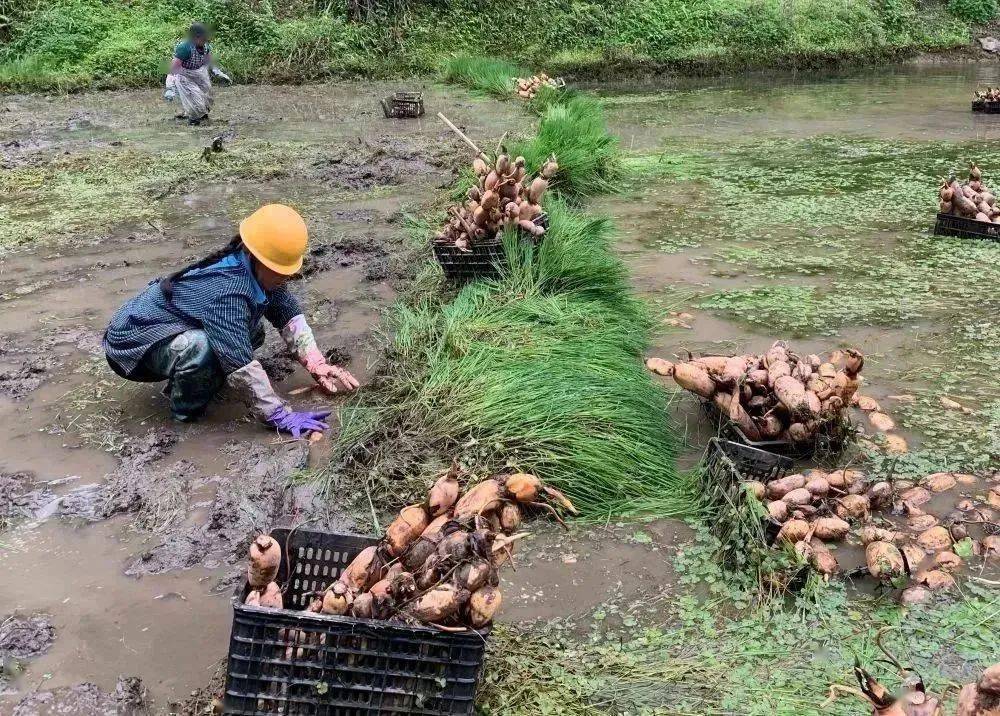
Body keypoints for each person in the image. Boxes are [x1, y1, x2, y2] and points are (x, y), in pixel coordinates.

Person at [103, 204, 359, 437]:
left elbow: (287, 313)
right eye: (279, 271)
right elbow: (239, 362)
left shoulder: (254, 268)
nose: (286, 278)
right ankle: (183, 414)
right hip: (133, 343)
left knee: (252, 330)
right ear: (257, 257)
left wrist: (316, 363)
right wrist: (279, 414)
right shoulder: (230, 290)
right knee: (203, 349)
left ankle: (196, 380)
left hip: (169, 326)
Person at [163, 22, 231, 125]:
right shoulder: (184, 48)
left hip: (199, 72)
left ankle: (203, 116)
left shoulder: (205, 46)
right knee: (195, 101)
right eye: (203, 38)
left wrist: (217, 72)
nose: (205, 41)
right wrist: (170, 88)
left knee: (208, 98)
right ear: (195, 37)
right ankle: (194, 122)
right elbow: (173, 69)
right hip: (184, 75)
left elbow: (209, 60)